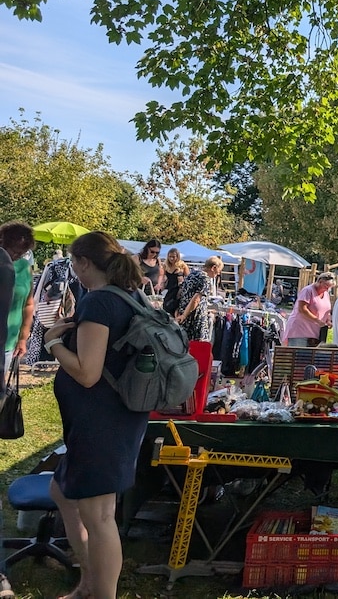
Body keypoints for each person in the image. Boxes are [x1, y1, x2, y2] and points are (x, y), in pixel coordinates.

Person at [40, 231, 151, 599]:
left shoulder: (100, 302)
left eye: (74, 263)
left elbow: (88, 372)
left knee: (100, 516)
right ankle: (88, 583)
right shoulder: (129, 295)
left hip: (101, 421)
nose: (74, 270)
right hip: (111, 418)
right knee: (63, 491)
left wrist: (53, 343)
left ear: (85, 263)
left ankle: (102, 593)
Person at [0, 222, 36, 374]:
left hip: (9, 343)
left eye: (21, 253)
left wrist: (23, 337)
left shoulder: (24, 267)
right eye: (14, 251)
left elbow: (28, 304)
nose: (16, 256)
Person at [174, 256, 222, 343]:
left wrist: (180, 312)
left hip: (182, 312)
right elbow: (196, 299)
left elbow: (181, 292)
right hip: (195, 318)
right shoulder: (205, 279)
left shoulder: (192, 274)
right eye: (217, 272)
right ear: (213, 268)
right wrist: (184, 315)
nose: (217, 275)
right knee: (197, 347)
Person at [282, 272, 336, 347]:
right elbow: (302, 309)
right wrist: (317, 320)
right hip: (300, 331)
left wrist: (328, 320)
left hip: (315, 333)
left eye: (330, 287)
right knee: (298, 356)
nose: (327, 289)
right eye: (326, 286)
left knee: (311, 357)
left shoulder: (326, 294)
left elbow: (326, 310)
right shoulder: (307, 290)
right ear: (320, 282)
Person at [161, 247, 189, 315]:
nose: (171, 259)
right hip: (169, 288)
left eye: (173, 257)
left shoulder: (182, 265)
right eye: (170, 257)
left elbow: (188, 277)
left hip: (179, 289)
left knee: (177, 308)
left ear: (177, 256)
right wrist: (161, 285)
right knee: (166, 306)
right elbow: (162, 277)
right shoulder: (165, 265)